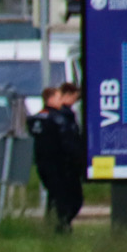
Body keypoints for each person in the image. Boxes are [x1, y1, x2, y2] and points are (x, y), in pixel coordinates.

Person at [51, 82, 87, 230]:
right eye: (74, 97)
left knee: (71, 199)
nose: (75, 101)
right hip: (66, 165)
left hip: (68, 165)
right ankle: (62, 224)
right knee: (71, 199)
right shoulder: (61, 116)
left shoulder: (67, 115)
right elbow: (67, 142)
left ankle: (62, 224)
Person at [32, 85, 64, 227]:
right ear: (50, 99)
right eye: (58, 97)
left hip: (41, 161)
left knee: (53, 193)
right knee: (58, 193)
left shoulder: (35, 119)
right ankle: (56, 222)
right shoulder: (56, 118)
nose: (61, 101)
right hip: (55, 161)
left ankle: (51, 221)